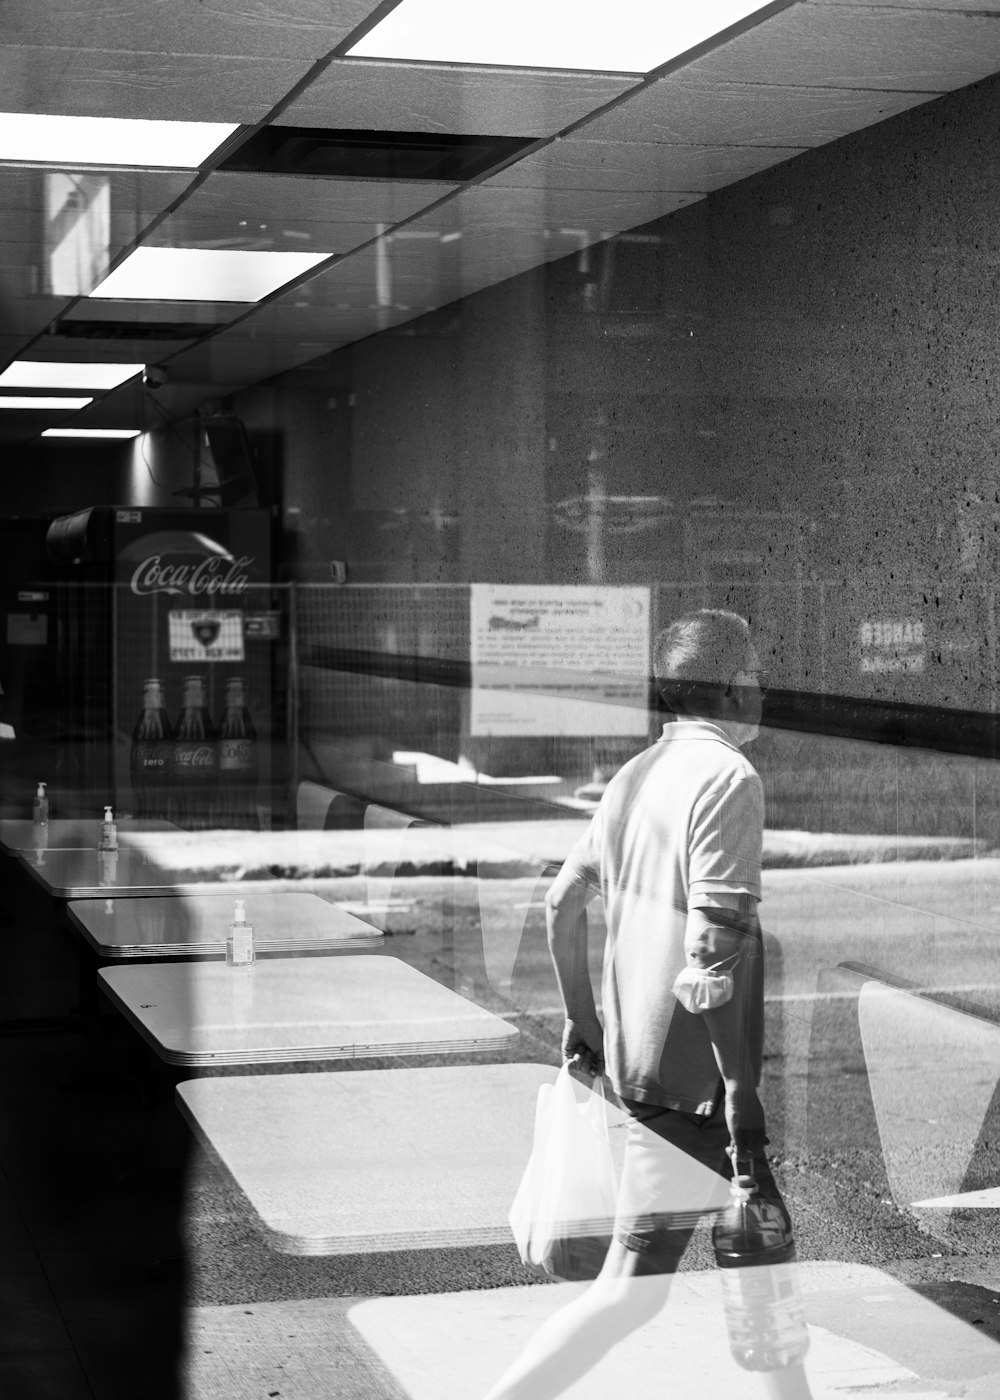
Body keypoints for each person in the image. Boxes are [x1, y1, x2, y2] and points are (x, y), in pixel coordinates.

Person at [483, 608, 801, 1400]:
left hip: (635, 1071)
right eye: (755, 672)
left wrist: (585, 1020)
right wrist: (741, 1101)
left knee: (763, 1278)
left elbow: (561, 904)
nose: (761, 687)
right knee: (635, 1287)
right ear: (730, 687)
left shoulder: (637, 775)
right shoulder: (729, 779)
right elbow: (711, 956)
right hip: (694, 1087)